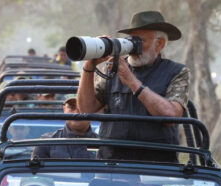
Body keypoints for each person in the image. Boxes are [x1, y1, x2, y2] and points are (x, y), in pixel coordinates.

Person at [77, 11, 190, 162]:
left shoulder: (177, 72)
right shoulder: (113, 68)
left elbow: (171, 116)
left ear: (160, 44)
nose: (133, 46)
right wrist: (89, 66)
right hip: (112, 162)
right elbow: (86, 110)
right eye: (131, 40)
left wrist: (132, 81)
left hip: (156, 165)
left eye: (140, 41)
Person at [32, 94, 97, 158]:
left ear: (92, 110)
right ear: (64, 109)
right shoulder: (46, 142)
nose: (77, 113)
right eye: (72, 107)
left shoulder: (103, 144)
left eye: (83, 107)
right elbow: (35, 168)